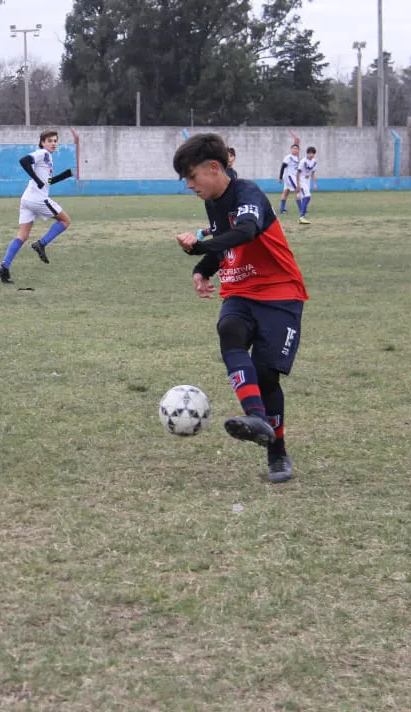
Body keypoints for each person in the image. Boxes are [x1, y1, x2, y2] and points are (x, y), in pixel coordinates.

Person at [171, 133, 308, 484]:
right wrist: (202, 269)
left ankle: (277, 452)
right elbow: (224, 244)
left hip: (280, 292)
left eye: (191, 177)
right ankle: (256, 418)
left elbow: (245, 231)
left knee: (266, 375)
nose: (189, 186)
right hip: (240, 290)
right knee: (229, 330)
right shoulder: (212, 202)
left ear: (214, 168)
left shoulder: (247, 193)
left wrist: (199, 247)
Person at [0, 129, 74, 284]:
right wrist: (37, 180)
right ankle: (41, 244)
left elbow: (46, 182)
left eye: (55, 141)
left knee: (22, 235)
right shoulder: (42, 153)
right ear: (42, 143)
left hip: (27, 199)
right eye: (49, 141)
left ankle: (4, 267)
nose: (53, 143)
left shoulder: (48, 158)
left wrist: (64, 176)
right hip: (37, 199)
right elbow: (24, 161)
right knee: (65, 221)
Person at [296, 146, 318, 225]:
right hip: (301, 179)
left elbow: (313, 173)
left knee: (305, 197)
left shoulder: (314, 161)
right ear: (307, 153)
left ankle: (302, 216)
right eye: (310, 153)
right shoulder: (303, 161)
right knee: (307, 196)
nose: (311, 155)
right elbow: (298, 173)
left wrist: (314, 183)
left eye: (313, 153)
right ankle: (302, 216)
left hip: (307, 180)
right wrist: (298, 185)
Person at [277, 143, 300, 214]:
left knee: (286, 191)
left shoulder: (297, 158)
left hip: (292, 176)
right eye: (293, 148)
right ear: (291, 149)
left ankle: (282, 209)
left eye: (296, 149)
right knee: (297, 190)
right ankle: (302, 208)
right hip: (289, 176)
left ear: (298, 150)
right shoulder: (288, 157)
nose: (295, 150)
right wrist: (280, 177)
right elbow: (282, 167)